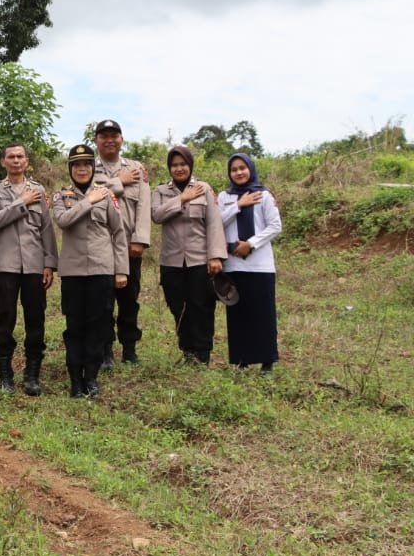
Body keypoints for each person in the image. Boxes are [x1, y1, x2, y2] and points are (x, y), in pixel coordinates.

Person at [53, 144, 128, 398]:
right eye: (76, 165)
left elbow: (118, 233)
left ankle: (92, 379)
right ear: (70, 169)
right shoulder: (61, 196)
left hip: (101, 269)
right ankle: (75, 380)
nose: (82, 169)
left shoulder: (108, 195)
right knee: (74, 326)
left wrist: (121, 271)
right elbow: (63, 220)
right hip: (73, 272)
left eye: (86, 164)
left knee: (98, 325)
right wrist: (88, 201)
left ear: (92, 168)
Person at [0, 142, 58, 396]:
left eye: (20, 157)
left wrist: (50, 263)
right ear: (3, 161)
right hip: (6, 265)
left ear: (26, 161)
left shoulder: (38, 190)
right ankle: (5, 375)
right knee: (5, 320)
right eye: (11, 157)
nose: (16, 161)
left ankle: (31, 374)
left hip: (35, 266)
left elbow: (46, 229)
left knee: (35, 320)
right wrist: (21, 202)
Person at [150, 145, 227, 364]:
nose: (179, 168)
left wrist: (215, 256)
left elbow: (214, 224)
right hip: (171, 261)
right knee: (178, 306)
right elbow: (156, 215)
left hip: (199, 259)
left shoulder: (203, 188)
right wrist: (182, 199)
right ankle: (187, 351)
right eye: (174, 165)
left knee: (201, 306)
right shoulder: (160, 191)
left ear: (190, 165)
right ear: (169, 168)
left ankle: (203, 353)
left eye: (183, 164)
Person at [92, 120, 151, 367]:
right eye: (103, 136)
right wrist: (120, 182)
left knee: (129, 299)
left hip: (129, 245)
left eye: (114, 135)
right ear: (96, 141)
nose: (109, 140)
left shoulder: (137, 169)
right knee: (103, 301)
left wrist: (139, 240)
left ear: (121, 139)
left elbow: (144, 205)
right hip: (100, 247)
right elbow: (89, 193)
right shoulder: (88, 167)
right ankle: (105, 350)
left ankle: (129, 348)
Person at [217, 153, 282, 373]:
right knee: (238, 313)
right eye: (234, 169)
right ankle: (241, 359)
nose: (238, 173)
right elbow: (216, 223)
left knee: (263, 313)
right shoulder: (224, 197)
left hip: (260, 265)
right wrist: (238, 204)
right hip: (234, 265)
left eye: (242, 168)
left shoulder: (263, 195)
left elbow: (274, 226)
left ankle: (267, 361)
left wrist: (251, 244)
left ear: (250, 169)